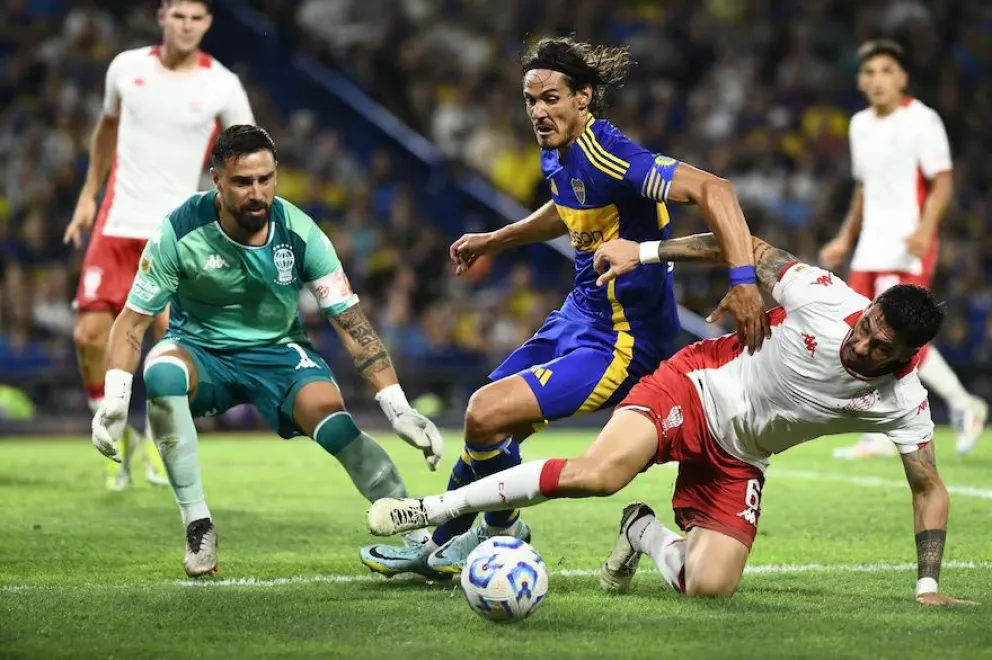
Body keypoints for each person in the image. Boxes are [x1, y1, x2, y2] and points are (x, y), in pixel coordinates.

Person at [367, 233, 977, 607]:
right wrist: (647, 252)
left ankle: (640, 532)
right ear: (866, 309)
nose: (862, 344)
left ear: (905, 358)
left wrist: (926, 586)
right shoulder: (823, 296)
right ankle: (436, 510)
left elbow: (928, 487)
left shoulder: (903, 398)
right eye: (867, 327)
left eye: (879, 347)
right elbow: (742, 245)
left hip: (741, 457)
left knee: (710, 586)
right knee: (600, 473)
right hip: (694, 386)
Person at [360, 36, 769, 579]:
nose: (538, 111)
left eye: (551, 98)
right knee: (485, 429)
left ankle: (492, 534)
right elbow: (568, 204)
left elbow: (716, 191)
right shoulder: (558, 150)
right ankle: (454, 541)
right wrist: (497, 239)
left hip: (623, 340)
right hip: (578, 316)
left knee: (486, 413)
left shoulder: (613, 154)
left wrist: (744, 282)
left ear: (584, 97)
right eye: (531, 100)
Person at [89, 125, 442, 577]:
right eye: (242, 182)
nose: (258, 193)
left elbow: (353, 325)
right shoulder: (179, 230)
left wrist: (398, 408)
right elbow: (132, 322)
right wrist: (116, 401)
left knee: (335, 423)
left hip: (280, 352)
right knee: (162, 372)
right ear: (216, 179)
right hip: (201, 351)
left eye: (266, 179)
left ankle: (418, 536)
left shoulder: (301, 232)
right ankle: (198, 525)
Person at [64, 0, 257, 491]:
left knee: (168, 345)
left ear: (208, 23)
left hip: (176, 233)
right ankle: (114, 430)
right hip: (116, 222)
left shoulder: (222, 84)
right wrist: (88, 195)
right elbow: (106, 129)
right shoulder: (126, 69)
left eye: (197, 18)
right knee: (89, 335)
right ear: (162, 17)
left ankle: (152, 441)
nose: (187, 26)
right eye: (179, 16)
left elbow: (251, 153)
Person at [819, 39, 987, 459]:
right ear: (860, 81)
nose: (877, 80)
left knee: (897, 332)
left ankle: (965, 405)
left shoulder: (923, 121)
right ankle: (878, 429)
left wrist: (924, 230)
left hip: (906, 242)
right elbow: (863, 189)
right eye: (870, 72)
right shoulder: (859, 124)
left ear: (903, 78)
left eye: (886, 71)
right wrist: (844, 237)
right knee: (862, 329)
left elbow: (943, 182)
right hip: (871, 243)